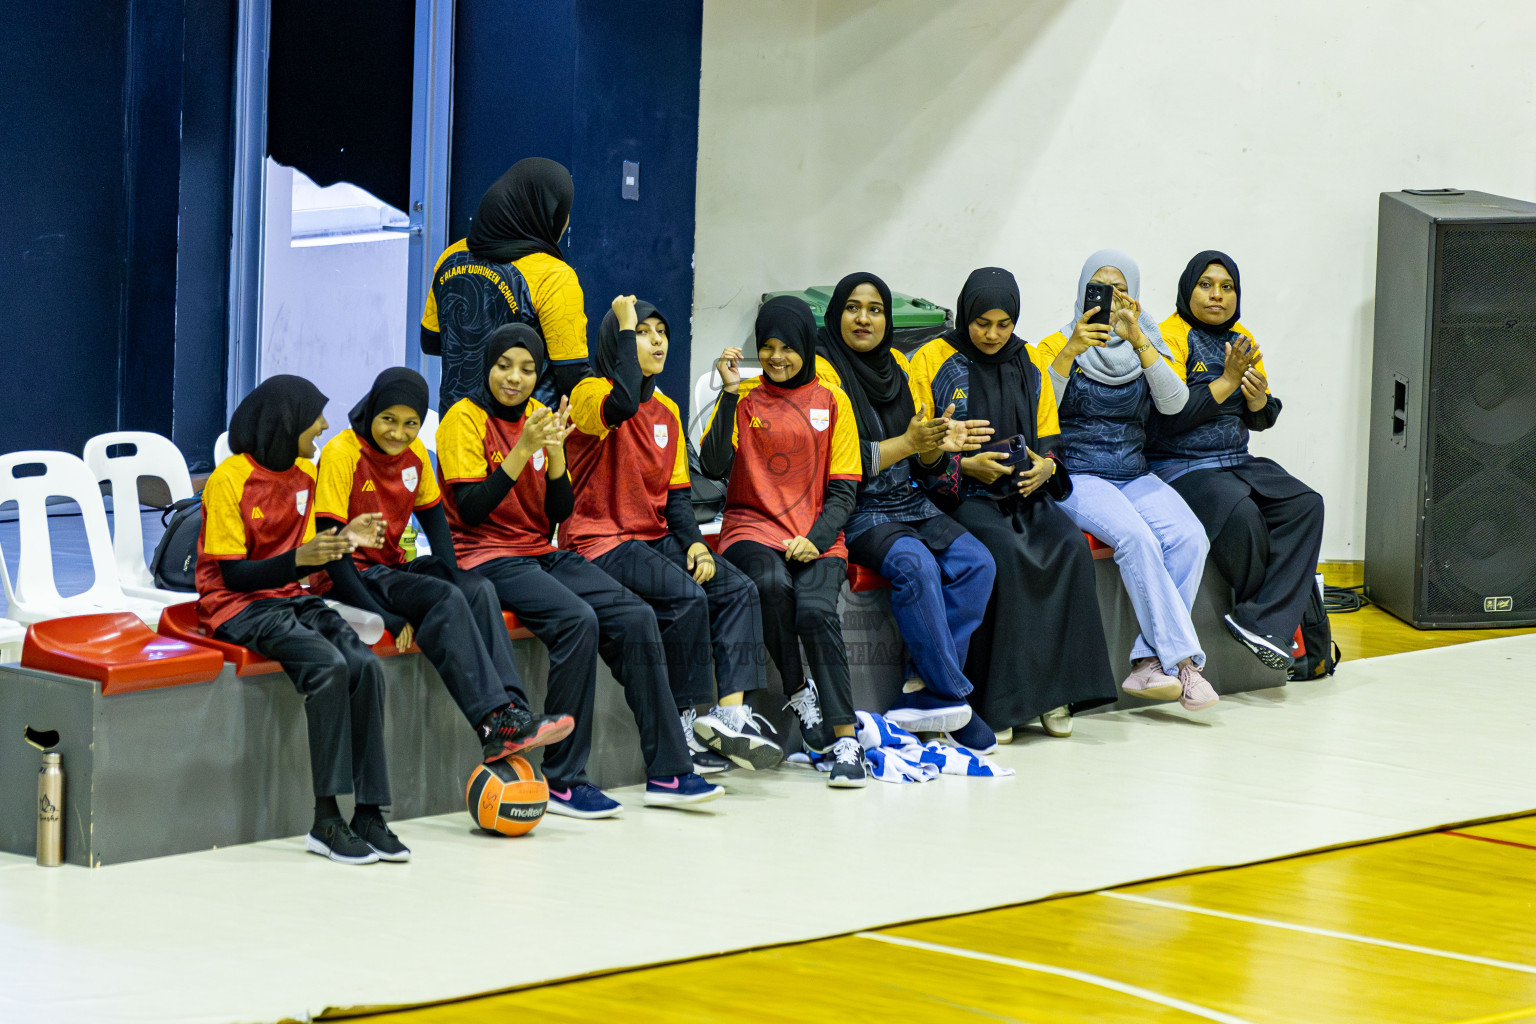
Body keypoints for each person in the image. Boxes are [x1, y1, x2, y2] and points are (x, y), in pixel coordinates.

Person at [436, 323, 719, 817]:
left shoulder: (540, 418)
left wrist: (556, 456)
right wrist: (523, 451)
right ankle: (564, 777)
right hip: (483, 553)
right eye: (505, 366)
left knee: (635, 616)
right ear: (487, 367)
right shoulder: (463, 418)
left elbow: (557, 513)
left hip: (535, 548)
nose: (515, 378)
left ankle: (670, 771)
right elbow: (472, 508)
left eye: (527, 369)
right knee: (578, 619)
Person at [312, 366, 575, 766]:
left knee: (477, 589)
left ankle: (514, 713)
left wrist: (460, 577)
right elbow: (331, 553)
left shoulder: (415, 455)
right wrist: (384, 618)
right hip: (348, 577)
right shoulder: (341, 453)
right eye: (389, 420)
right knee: (446, 598)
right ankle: (490, 724)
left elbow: (437, 525)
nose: (399, 433)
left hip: (392, 568)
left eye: (411, 424)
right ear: (372, 411)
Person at [566, 295, 783, 774]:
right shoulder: (590, 391)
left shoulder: (666, 409)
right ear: (619, 340)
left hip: (652, 535)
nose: (657, 340)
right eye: (643, 332)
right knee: (686, 597)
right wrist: (623, 322)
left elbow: (678, 498)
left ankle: (730, 718)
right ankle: (682, 727)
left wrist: (698, 546)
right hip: (599, 539)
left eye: (661, 331)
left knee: (736, 588)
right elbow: (621, 402)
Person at [197, 375, 402, 865]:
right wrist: (301, 560)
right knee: (328, 667)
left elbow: (312, 553)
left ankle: (369, 812)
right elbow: (236, 574)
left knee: (365, 665)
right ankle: (326, 819)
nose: (324, 426)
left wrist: (346, 535)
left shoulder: (305, 478)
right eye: (315, 417)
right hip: (238, 606)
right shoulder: (229, 480)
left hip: (291, 596)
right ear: (285, 421)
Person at [909, 268, 1117, 748]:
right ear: (966, 315)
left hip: (1024, 494)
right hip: (960, 498)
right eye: (984, 322)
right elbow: (918, 447)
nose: (993, 334)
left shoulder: (1027, 362)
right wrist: (965, 466)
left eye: (1004, 323)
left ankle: (1055, 695)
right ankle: (1000, 702)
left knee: (1068, 548)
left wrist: (1046, 468)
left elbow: (1050, 440)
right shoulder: (932, 359)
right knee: (1003, 553)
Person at [811, 271, 996, 739]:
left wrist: (936, 447)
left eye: (875, 310)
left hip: (909, 500)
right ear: (836, 313)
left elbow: (926, 461)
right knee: (915, 564)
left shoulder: (898, 364)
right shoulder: (823, 370)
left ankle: (923, 687)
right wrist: (911, 442)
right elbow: (845, 461)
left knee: (978, 563)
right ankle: (956, 697)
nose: (864, 318)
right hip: (855, 508)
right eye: (853, 307)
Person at [1035, 250, 1218, 711]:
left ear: (1133, 296)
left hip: (1133, 472)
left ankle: (1145, 663)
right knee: (1136, 537)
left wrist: (1137, 339)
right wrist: (1072, 351)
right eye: (1100, 287)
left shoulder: (1148, 341)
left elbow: (1175, 403)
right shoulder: (1054, 344)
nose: (1110, 298)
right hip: (1078, 473)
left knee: (1190, 537)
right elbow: (1038, 413)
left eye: (1120, 289)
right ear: (1082, 292)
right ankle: (1184, 666)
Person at [700, 296, 868, 788]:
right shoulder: (746, 398)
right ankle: (798, 690)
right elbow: (712, 465)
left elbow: (844, 489)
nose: (776, 357)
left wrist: (815, 540)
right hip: (751, 527)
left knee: (815, 612)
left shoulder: (832, 401)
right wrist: (728, 394)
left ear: (806, 348)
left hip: (816, 533)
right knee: (770, 585)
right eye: (767, 347)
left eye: (787, 348)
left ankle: (846, 738)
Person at [1147, 250, 1324, 670]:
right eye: (1206, 285)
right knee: (1242, 514)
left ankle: (1260, 622)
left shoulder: (1240, 338)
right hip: (1180, 466)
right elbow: (1167, 420)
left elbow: (1260, 416)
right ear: (1188, 289)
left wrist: (1261, 401)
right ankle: (1281, 632)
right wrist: (1226, 382)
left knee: (1305, 504)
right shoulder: (1168, 337)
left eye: (1227, 287)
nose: (1217, 296)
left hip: (1236, 460)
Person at [421, 157, 591, 408]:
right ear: (547, 214)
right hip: (525, 436)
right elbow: (571, 375)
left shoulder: (451, 257)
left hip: (457, 426)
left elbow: (431, 342)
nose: (565, 221)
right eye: (564, 212)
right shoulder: (554, 276)